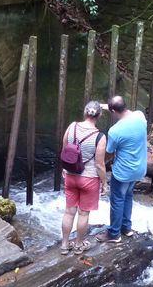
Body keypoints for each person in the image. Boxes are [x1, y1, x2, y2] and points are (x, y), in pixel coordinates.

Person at [97, 95, 147, 243]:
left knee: (117, 199)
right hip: (139, 168)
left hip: (124, 171)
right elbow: (127, 113)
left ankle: (114, 234)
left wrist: (99, 165)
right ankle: (126, 228)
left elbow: (110, 152)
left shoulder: (115, 131)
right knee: (128, 196)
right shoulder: (140, 116)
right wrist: (109, 106)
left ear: (113, 111)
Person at [60, 101, 107, 255]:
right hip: (89, 178)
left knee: (69, 212)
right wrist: (105, 183)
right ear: (99, 115)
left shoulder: (72, 126)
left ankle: (65, 244)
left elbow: (65, 149)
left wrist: (64, 169)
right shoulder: (100, 136)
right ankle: (79, 244)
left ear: (85, 113)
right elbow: (100, 164)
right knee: (84, 213)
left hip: (70, 175)